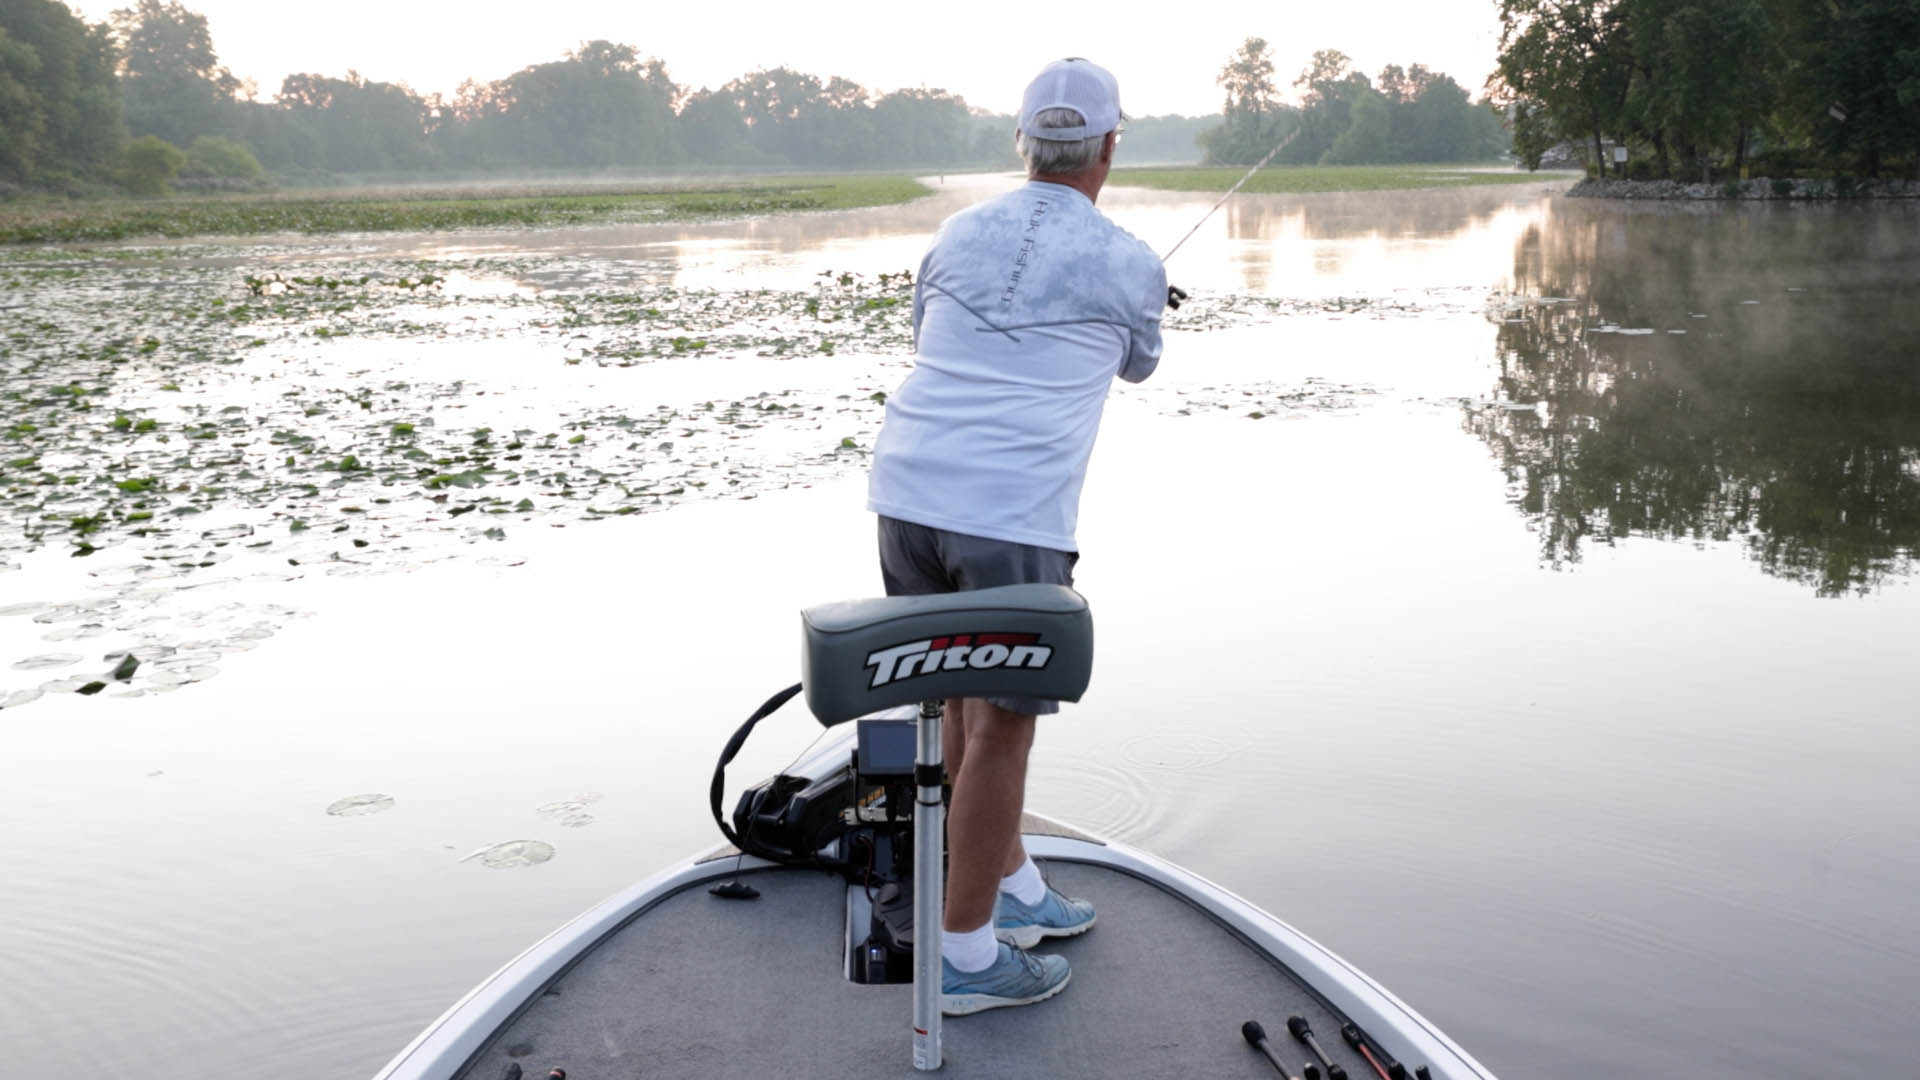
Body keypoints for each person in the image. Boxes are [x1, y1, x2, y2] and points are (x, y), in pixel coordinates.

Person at [866, 57, 1168, 1015]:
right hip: (1011, 520)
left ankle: (1017, 891)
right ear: (1109, 147)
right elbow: (1141, 366)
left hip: (906, 496)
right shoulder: (1129, 260)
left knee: (962, 698)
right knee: (1003, 727)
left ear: (1025, 145)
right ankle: (963, 958)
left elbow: (930, 330)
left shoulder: (957, 231)